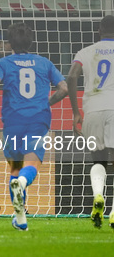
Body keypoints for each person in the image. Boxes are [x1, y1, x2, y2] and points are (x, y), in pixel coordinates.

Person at [0, 23, 68, 231]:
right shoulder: (44, 63)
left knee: (15, 168)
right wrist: (47, 103)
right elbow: (64, 88)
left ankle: (20, 217)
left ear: (9, 43)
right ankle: (22, 186)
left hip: (12, 121)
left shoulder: (3, 62)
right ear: (31, 42)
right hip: (37, 120)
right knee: (31, 166)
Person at [66, 15, 114, 229]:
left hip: (93, 109)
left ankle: (98, 196)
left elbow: (71, 76)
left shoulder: (85, 52)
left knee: (98, 160)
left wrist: (76, 112)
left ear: (99, 30)